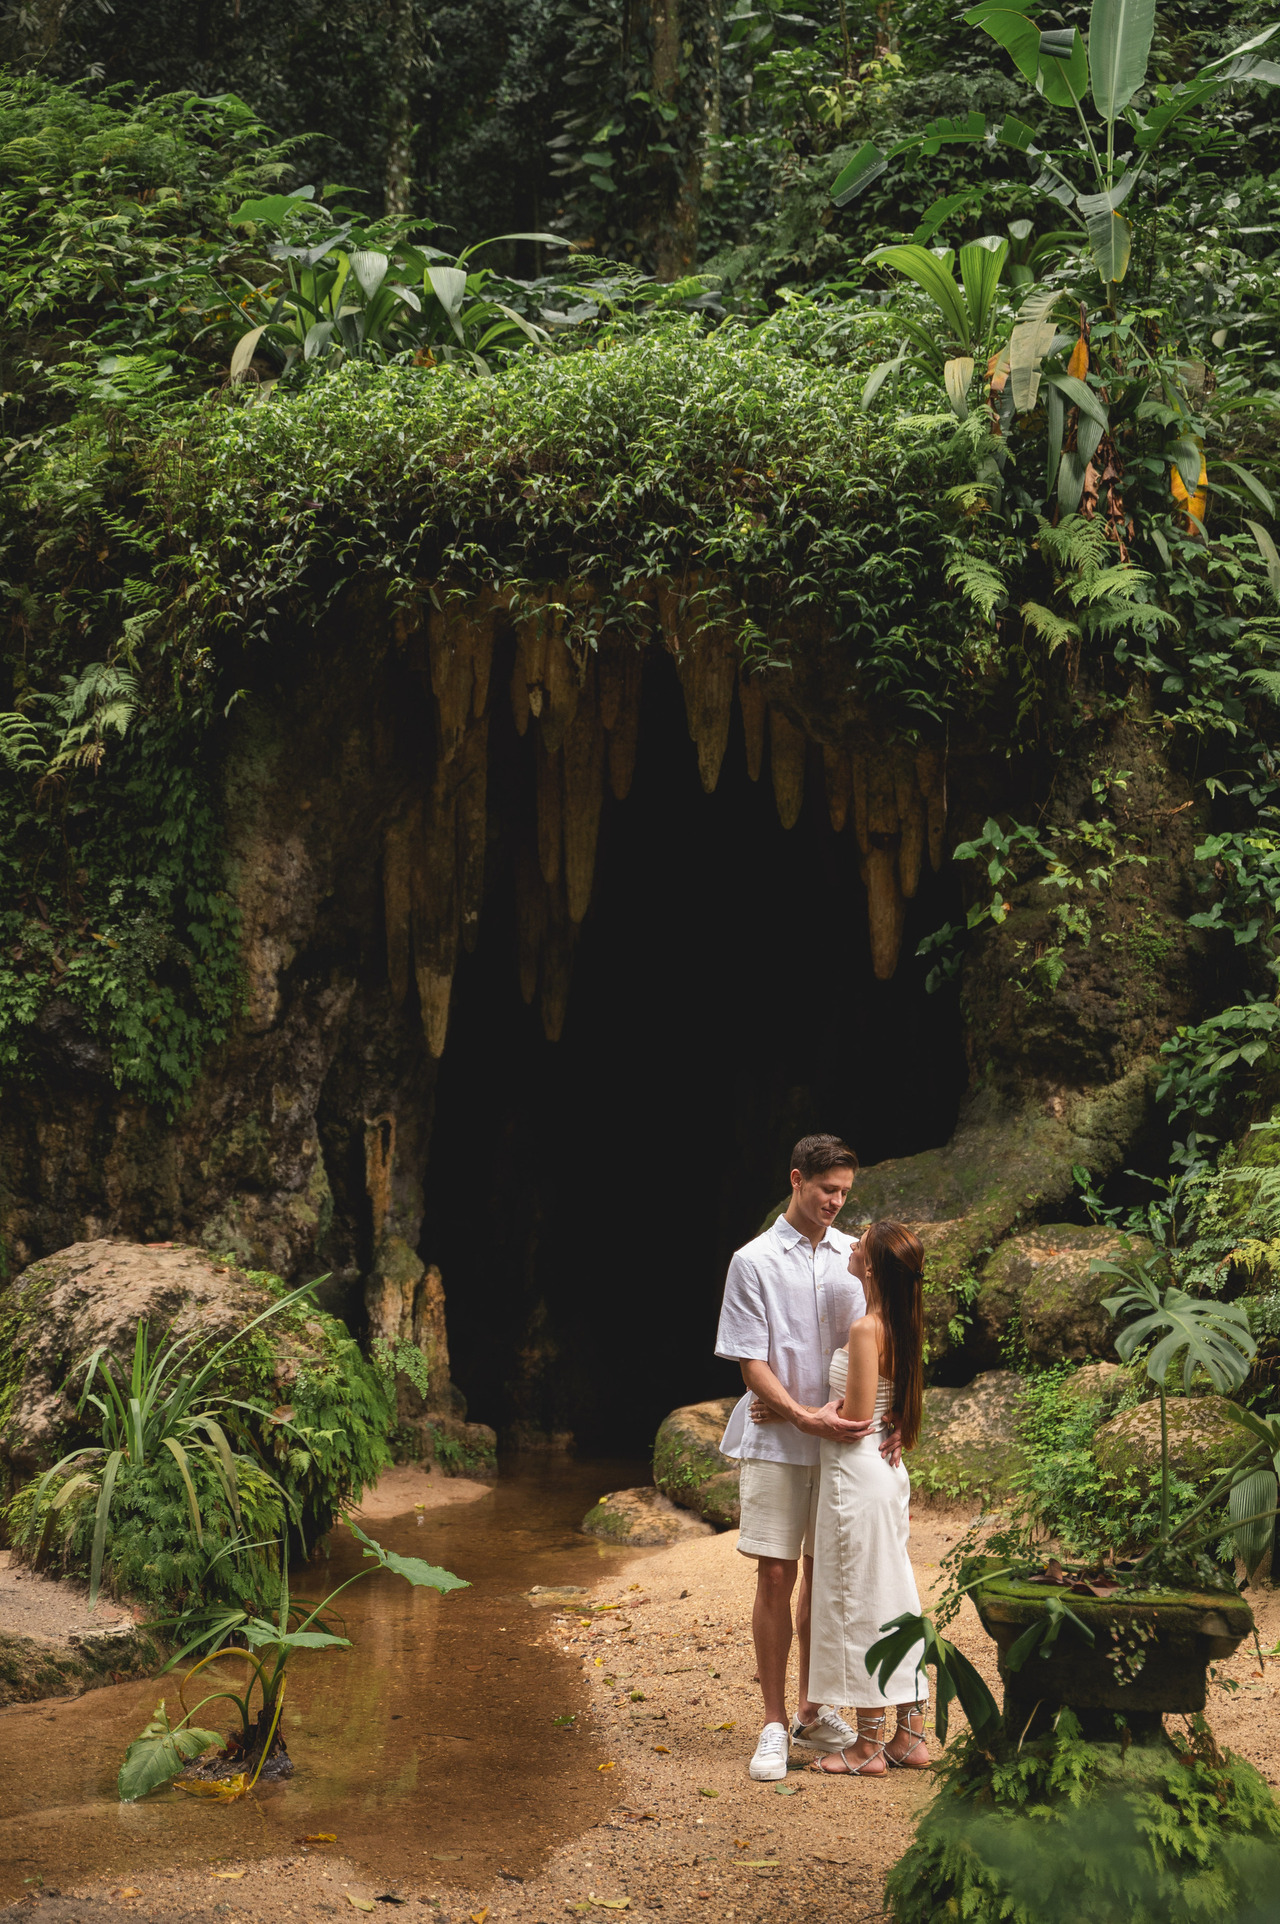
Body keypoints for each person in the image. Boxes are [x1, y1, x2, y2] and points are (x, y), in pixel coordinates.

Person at [714, 1134, 901, 1784]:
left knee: (827, 1580)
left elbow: (888, 1333)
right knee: (775, 1574)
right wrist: (794, 1410)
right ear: (796, 1181)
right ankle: (771, 1722)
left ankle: (811, 1710)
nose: (836, 1202)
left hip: (842, 1450)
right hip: (778, 1441)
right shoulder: (753, 1261)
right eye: (827, 1190)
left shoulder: (857, 1256)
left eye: (845, 1192)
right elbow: (749, 1358)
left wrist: (892, 1415)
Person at [804, 1219, 930, 1776]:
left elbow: (853, 1419)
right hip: (887, 1468)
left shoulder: (866, 1328)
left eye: (860, 1244)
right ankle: (910, 1735)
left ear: (871, 1267)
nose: (850, 1246)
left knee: (859, 1599)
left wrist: (803, 1418)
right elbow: (886, 1408)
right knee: (894, 1592)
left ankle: (868, 1743)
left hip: (857, 1472)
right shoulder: (905, 1324)